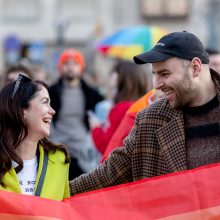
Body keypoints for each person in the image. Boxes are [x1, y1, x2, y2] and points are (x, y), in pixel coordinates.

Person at [69, 31, 220, 196]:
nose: (156, 84)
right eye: (154, 75)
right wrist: (54, 195)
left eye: (165, 74)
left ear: (195, 68)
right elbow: (109, 174)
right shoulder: (150, 118)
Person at [0, 74, 70, 200]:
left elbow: (64, 213)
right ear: (22, 110)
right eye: (45, 102)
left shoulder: (59, 160)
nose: (52, 111)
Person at [49, 49, 103, 180]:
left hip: (83, 151)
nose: (70, 67)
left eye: (75, 63)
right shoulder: (50, 92)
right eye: (66, 63)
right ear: (60, 67)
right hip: (58, 148)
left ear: (81, 67)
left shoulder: (92, 94)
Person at [90, 60, 149, 155]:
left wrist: (95, 128)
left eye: (115, 73)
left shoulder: (122, 109)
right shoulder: (143, 105)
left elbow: (107, 146)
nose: (111, 77)